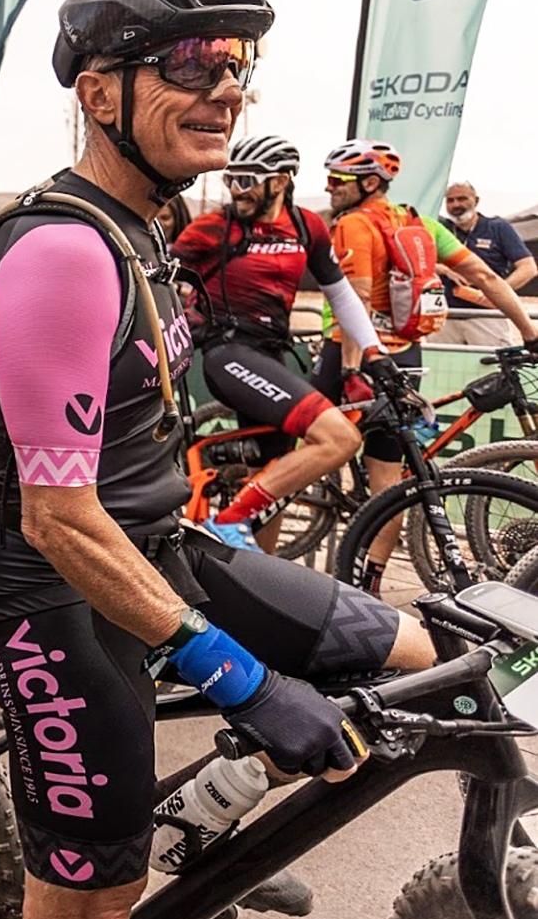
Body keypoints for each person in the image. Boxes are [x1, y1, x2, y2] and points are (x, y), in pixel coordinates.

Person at [0, 0, 434, 919]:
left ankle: (202, 812)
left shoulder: (147, 227)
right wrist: (239, 680)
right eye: (189, 62)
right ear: (96, 93)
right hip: (53, 587)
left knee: (418, 660)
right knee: (90, 911)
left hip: (155, 544)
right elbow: (56, 519)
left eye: (236, 62)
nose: (224, 85)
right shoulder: (64, 251)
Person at [316, 139, 538, 592]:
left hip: (352, 353)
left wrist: (354, 371)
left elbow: (353, 301)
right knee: (388, 481)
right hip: (405, 358)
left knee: (301, 446)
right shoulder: (422, 225)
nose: (329, 187)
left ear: (369, 182)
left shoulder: (354, 223)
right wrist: (530, 333)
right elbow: (487, 276)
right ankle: (368, 586)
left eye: (337, 179)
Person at [172, 135, 381, 551]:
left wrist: (376, 353)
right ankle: (227, 523)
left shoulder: (307, 226)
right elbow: (156, 280)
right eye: (231, 179)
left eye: (247, 181)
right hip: (228, 354)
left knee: (272, 474)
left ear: (280, 181)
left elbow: (341, 294)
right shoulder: (215, 227)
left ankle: (257, 579)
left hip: (271, 355)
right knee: (340, 438)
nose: (236, 190)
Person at [432, 180, 535, 347]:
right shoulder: (441, 227)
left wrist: (495, 293)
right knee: (442, 369)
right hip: (446, 315)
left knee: (492, 368)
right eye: (450, 200)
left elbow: (528, 268)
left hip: (485, 316)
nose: (456, 204)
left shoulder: (497, 227)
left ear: (476, 201)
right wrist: (444, 269)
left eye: (462, 198)